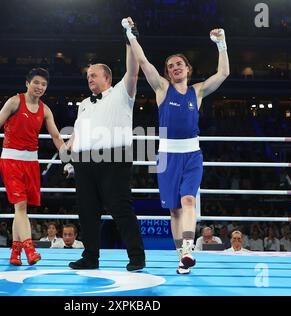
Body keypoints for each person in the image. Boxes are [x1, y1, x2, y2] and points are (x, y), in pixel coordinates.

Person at [124, 17, 229, 273]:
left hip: (192, 155)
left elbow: (223, 73)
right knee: (174, 211)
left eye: (179, 64)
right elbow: (144, 63)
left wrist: (222, 45)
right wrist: (131, 34)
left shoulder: (199, 91)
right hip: (168, 155)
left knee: (189, 201)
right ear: (168, 72)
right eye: (171, 66)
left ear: (188, 68)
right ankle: (182, 257)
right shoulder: (162, 88)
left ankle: (188, 249)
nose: (175, 68)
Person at [64, 19, 145, 272]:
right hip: (84, 162)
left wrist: (129, 37)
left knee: (121, 210)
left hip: (114, 158)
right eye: (87, 76)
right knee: (87, 213)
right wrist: (70, 159)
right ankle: (90, 258)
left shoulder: (122, 92)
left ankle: (137, 257)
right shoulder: (84, 104)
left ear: (107, 77)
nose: (89, 79)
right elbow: (78, 132)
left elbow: (133, 70)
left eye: (94, 75)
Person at [0, 68, 66, 265]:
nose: (40, 87)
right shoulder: (14, 101)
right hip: (11, 160)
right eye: (36, 82)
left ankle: (14, 254)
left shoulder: (45, 110)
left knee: (20, 210)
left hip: (31, 163)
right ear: (27, 83)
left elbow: (56, 136)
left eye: (44, 84)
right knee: (21, 206)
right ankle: (30, 250)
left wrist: (67, 158)